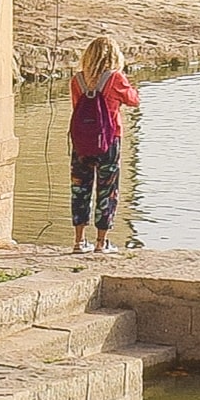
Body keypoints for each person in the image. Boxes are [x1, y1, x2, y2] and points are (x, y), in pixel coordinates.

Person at [68, 36, 140, 254]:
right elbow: (133, 100)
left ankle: (79, 242)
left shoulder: (77, 80)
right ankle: (101, 242)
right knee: (107, 189)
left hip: (81, 142)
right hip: (109, 140)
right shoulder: (115, 78)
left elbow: (76, 107)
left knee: (80, 188)